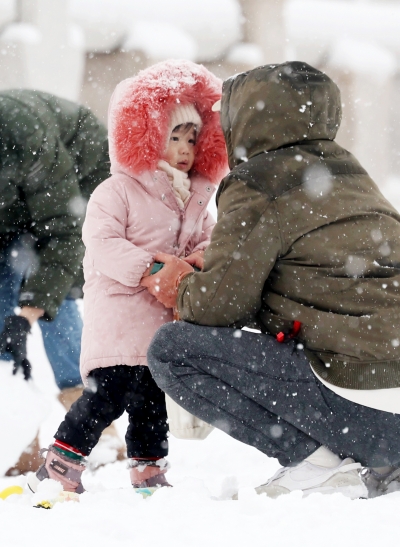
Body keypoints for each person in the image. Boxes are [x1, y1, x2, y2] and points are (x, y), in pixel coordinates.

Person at [143, 61, 400, 500]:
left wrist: (180, 286)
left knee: (173, 351)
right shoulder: (353, 175)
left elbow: (221, 307)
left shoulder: (259, 181)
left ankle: (317, 464)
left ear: (245, 118)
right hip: (390, 404)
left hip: (359, 409)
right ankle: (386, 460)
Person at [28, 59, 228, 495]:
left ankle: (148, 472)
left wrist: (194, 263)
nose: (184, 148)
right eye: (174, 136)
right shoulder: (116, 191)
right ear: (147, 136)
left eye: (192, 139)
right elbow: (102, 243)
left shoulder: (195, 197)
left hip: (160, 327)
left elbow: (211, 240)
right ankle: (60, 464)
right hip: (119, 319)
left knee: (151, 404)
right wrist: (153, 270)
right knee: (105, 398)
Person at [0, 90, 126, 475]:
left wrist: (27, 314)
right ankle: (13, 436)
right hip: (14, 199)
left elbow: (63, 233)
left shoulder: (22, 134)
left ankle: (94, 425)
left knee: (57, 290)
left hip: (77, 176)